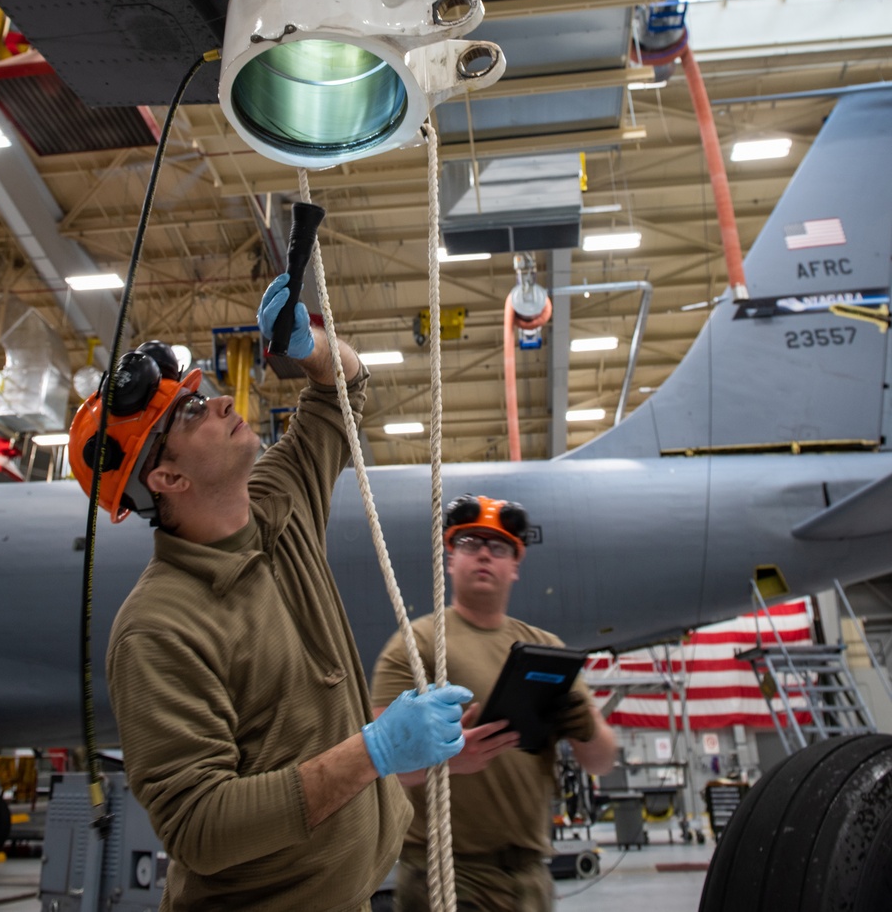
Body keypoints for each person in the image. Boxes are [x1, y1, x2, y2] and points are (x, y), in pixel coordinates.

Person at [68, 274, 472, 912]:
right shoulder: (158, 629)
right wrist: (374, 751)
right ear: (167, 476)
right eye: (192, 412)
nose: (224, 402)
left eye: (203, 390)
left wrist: (308, 347)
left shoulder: (278, 502)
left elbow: (345, 390)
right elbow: (200, 827)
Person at [371, 494, 618, 912]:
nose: (484, 553)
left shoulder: (546, 648)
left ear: (515, 566)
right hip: (445, 878)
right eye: (470, 543)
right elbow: (380, 769)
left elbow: (602, 762)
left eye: (498, 547)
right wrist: (448, 757)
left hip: (530, 878)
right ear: (450, 558)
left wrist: (586, 727)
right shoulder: (416, 646)